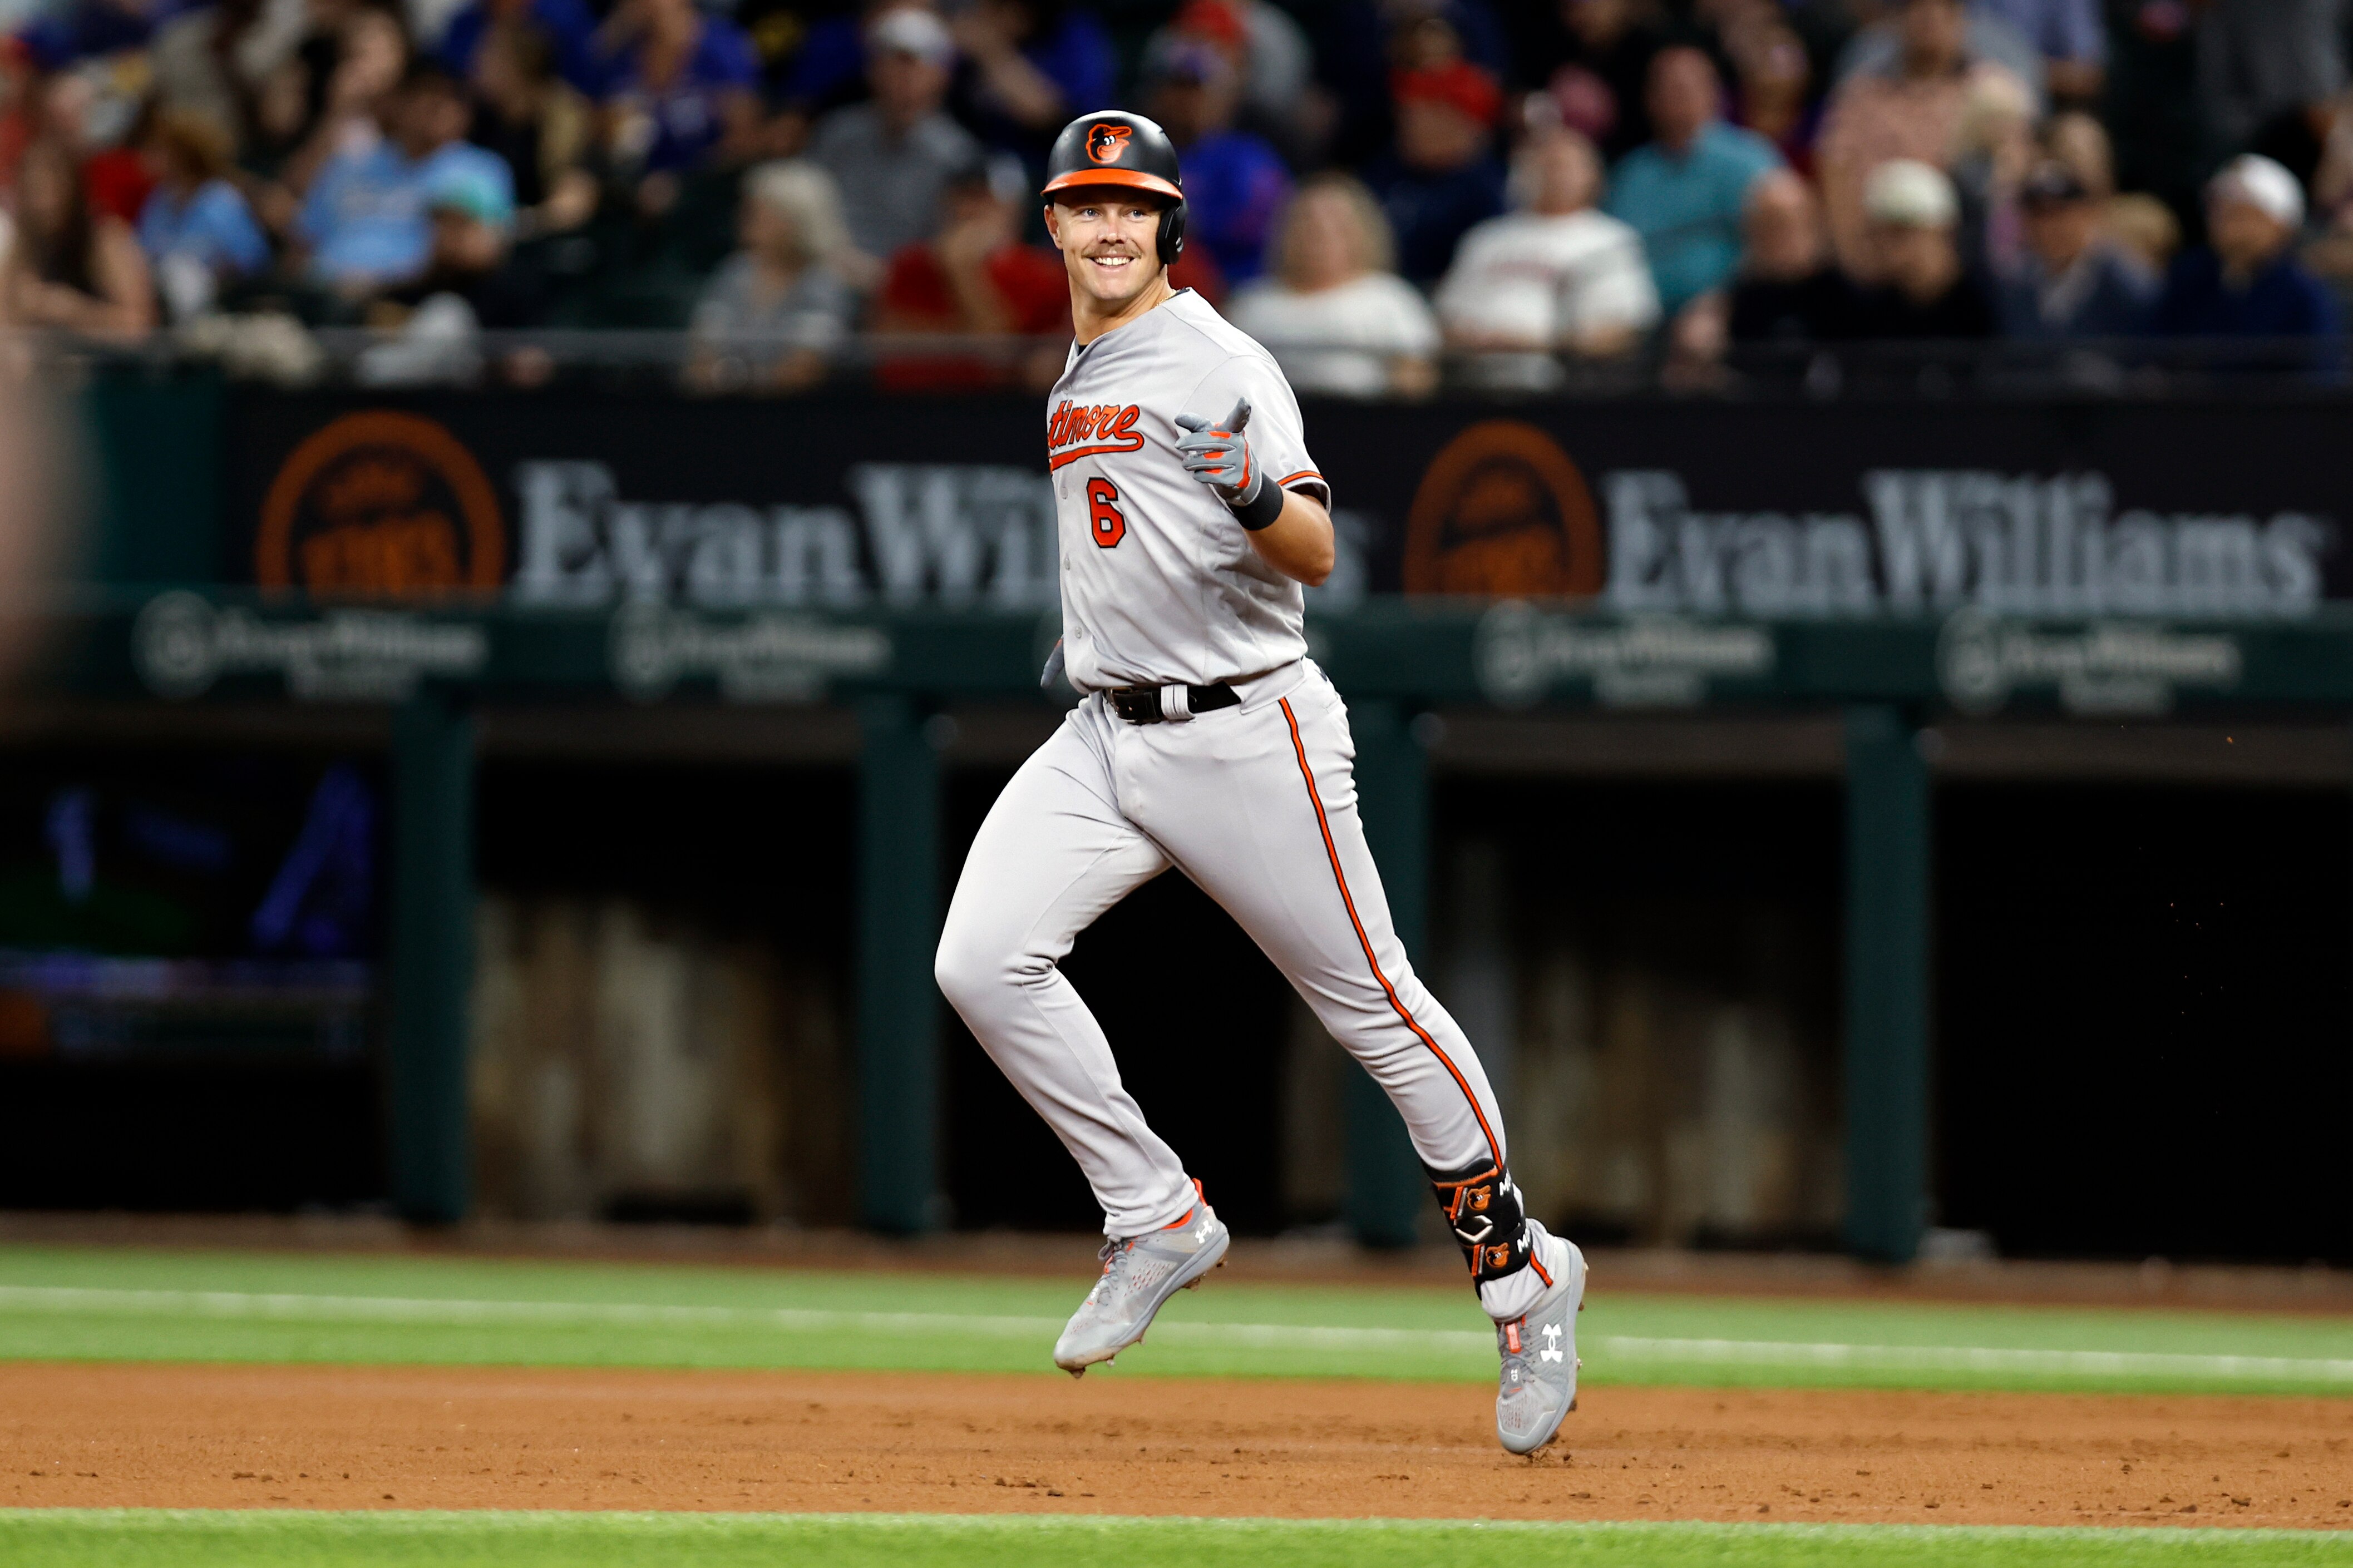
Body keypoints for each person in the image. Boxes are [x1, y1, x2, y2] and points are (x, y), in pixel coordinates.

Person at [934, 107, 1587, 1458]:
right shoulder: (1081, 360)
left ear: (1167, 224)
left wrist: (1244, 492)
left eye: (1134, 206)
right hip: (1107, 734)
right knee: (980, 959)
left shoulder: (1216, 355)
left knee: (1376, 1009)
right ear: (1051, 222)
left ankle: (1523, 1272)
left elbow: (1316, 547)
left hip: (1245, 728)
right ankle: (1155, 1212)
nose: (1110, 226)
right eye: (1086, 204)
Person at [1816, 0, 2030, 277]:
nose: (1929, 19)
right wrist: (1855, 259)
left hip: (1961, 267)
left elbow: (2012, 182)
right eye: (1917, 9)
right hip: (1870, 257)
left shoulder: (1994, 93)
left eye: (1942, 9)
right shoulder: (1860, 95)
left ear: (1961, 19)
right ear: (1897, 20)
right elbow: (1834, 171)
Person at [1436, 124, 1659, 380]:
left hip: (1570, 388)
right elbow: (1447, 319)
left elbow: (1623, 332)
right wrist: (1477, 341)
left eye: (1564, 166)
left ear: (1593, 175)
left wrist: (1529, 346)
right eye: (1543, 165)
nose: (1554, 175)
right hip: (1473, 383)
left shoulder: (1613, 240)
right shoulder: (1486, 238)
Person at [295, 63, 516, 300]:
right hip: (322, 294)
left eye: (447, 97)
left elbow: (485, 251)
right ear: (398, 103)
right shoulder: (351, 163)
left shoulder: (481, 171)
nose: (434, 107)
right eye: (422, 94)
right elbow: (303, 238)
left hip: (414, 300)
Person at [1603, 46, 1783, 318]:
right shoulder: (1631, 174)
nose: (1674, 99)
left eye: (1685, 88)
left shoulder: (1749, 161)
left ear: (1714, 94)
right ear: (1649, 99)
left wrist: (1722, 306)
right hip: (1635, 320)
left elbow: (1777, 249)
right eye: (1664, 89)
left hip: (1731, 316)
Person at [1226, 172, 1440, 397]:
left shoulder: (1391, 301)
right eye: (1307, 221)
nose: (1320, 233)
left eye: (1335, 224)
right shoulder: (1251, 305)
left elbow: (1416, 379)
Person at [872, 152, 1071, 390]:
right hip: (912, 406)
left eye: (986, 200)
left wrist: (964, 270)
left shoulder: (1043, 273)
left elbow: (997, 356)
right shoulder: (911, 265)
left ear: (1015, 209)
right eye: (964, 198)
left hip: (997, 411)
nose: (971, 211)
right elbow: (889, 349)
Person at [811, 6, 980, 271]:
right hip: (825, 266)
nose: (903, 78)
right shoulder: (839, 132)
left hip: (905, 284)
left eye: (915, 66)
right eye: (892, 63)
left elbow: (949, 242)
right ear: (872, 70)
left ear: (942, 75)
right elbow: (807, 208)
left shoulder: (958, 154)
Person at [687, 159, 858, 392]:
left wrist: (735, 380)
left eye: (759, 211)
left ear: (796, 219)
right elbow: (701, 355)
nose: (744, 219)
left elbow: (802, 370)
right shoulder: (735, 271)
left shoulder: (825, 282)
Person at [1144, 32, 1290, 285]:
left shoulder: (1248, 157)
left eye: (1196, 90)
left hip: (1234, 286)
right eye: (1176, 88)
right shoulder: (1140, 154)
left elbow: (1262, 227)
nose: (1185, 101)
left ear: (1223, 97)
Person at [2152, 154, 2341, 341]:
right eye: (2221, 211)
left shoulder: (2303, 295)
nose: (2229, 225)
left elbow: (2317, 364)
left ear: (2280, 226)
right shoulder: (2188, 275)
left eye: (2243, 215)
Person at [1360, 58, 1507, 284]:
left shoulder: (1486, 191)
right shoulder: (1387, 167)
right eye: (1409, 110)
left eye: (1429, 111)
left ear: (1465, 123)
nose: (1411, 121)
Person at [0, 136, 156, 342]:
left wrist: (72, 311)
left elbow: (140, 326)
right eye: (33, 187)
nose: (41, 199)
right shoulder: (26, 242)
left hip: (110, 367)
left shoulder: (104, 239)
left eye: (51, 186)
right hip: (51, 367)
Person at [136, 110, 272, 319]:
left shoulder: (219, 200)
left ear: (183, 153)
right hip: (160, 300)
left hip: (221, 305)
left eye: (159, 150)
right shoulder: (159, 200)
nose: (148, 157)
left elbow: (253, 261)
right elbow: (141, 253)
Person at [1997, 161, 2154, 339]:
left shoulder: (2126, 282)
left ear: (2088, 214)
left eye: (2061, 214)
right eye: (2040, 215)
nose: (2050, 227)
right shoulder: (2016, 282)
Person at [1847, 157, 1997, 339]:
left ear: (1944, 231)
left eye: (1901, 232)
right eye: (1878, 234)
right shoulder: (1867, 313)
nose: (1887, 246)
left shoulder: (1987, 307)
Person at [1726, 167, 1861, 345]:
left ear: (1812, 224)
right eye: (1767, 225)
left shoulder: (1846, 295)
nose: (1776, 237)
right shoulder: (1745, 299)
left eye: (1784, 224)